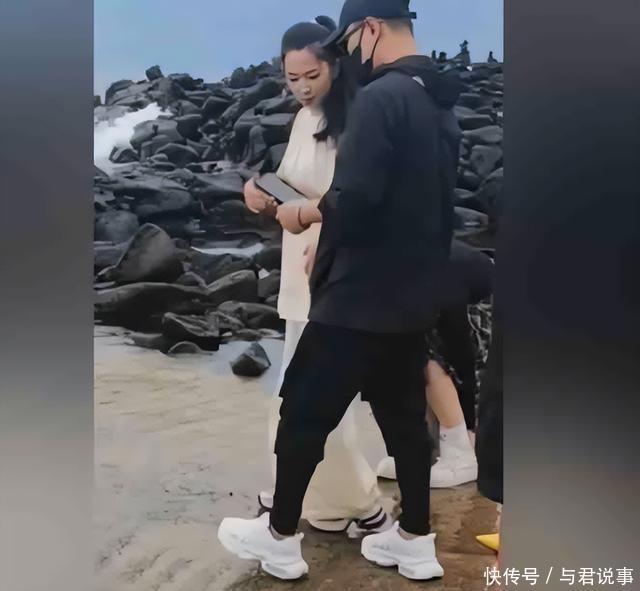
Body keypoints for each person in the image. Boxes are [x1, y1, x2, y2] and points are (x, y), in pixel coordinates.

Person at [218, 0, 463, 581]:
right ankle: (416, 539)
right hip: (411, 291)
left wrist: (302, 213)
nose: (350, 55)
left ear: (369, 29)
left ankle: (279, 537)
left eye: (349, 41)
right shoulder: (438, 98)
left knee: (302, 412)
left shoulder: (380, 98)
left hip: (358, 291)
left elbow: (354, 200)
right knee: (404, 421)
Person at [243, 18, 389, 535]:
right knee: (301, 395)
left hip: (330, 270)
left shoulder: (356, 120)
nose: (303, 88)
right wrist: (261, 193)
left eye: (313, 76)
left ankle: (361, 506)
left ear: (335, 66)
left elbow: (354, 200)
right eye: (293, 79)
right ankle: (308, 496)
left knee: (315, 400)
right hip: (299, 269)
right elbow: (295, 187)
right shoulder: (306, 118)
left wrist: (307, 213)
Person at [376, 240, 494, 488]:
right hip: (446, 296)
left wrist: (468, 427)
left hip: (488, 302)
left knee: (422, 351)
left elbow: (461, 353)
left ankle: (460, 452)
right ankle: (425, 448)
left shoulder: (432, 268)